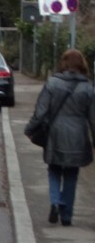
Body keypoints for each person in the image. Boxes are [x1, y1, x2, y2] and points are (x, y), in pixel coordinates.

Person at [25, 49, 95, 226]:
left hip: (55, 133)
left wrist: (30, 128)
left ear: (63, 63)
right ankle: (66, 216)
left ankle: (55, 201)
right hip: (78, 134)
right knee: (72, 174)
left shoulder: (52, 83)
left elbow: (41, 112)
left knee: (54, 169)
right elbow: (93, 117)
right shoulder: (88, 87)